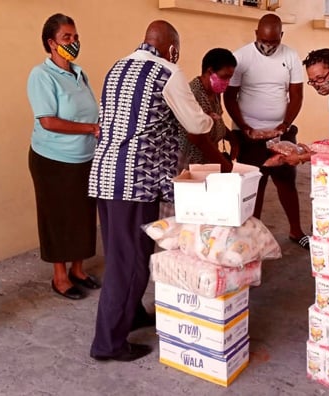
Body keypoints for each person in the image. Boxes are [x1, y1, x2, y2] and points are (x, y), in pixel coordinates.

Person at [88, 20, 213, 361]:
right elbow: (195, 123)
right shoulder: (168, 72)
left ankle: (131, 315)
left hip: (104, 175)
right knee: (130, 263)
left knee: (120, 254)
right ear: (172, 48)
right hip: (135, 181)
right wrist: (213, 124)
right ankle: (108, 343)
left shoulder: (118, 67)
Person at [27, 13, 101, 301]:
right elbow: (48, 120)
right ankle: (60, 276)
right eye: (66, 38)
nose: (73, 42)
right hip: (52, 159)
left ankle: (78, 270)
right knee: (58, 217)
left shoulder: (79, 73)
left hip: (84, 156)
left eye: (75, 36)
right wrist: (91, 128)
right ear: (51, 43)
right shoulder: (41, 75)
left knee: (82, 215)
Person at [223, 13, 310, 250]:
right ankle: (253, 234)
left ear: (281, 36)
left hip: (280, 130)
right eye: (263, 40)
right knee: (254, 183)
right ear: (256, 35)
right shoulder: (241, 57)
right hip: (248, 131)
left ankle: (296, 230)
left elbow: (296, 95)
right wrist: (245, 127)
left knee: (286, 180)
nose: (268, 46)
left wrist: (285, 125)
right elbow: (230, 97)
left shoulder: (290, 56)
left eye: (273, 42)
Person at [178, 48, 237, 172]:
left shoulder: (215, 92)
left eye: (230, 78)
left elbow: (216, 120)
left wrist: (231, 138)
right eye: (224, 77)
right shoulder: (193, 94)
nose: (227, 82)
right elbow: (197, 137)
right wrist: (223, 164)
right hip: (192, 163)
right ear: (210, 71)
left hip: (209, 162)